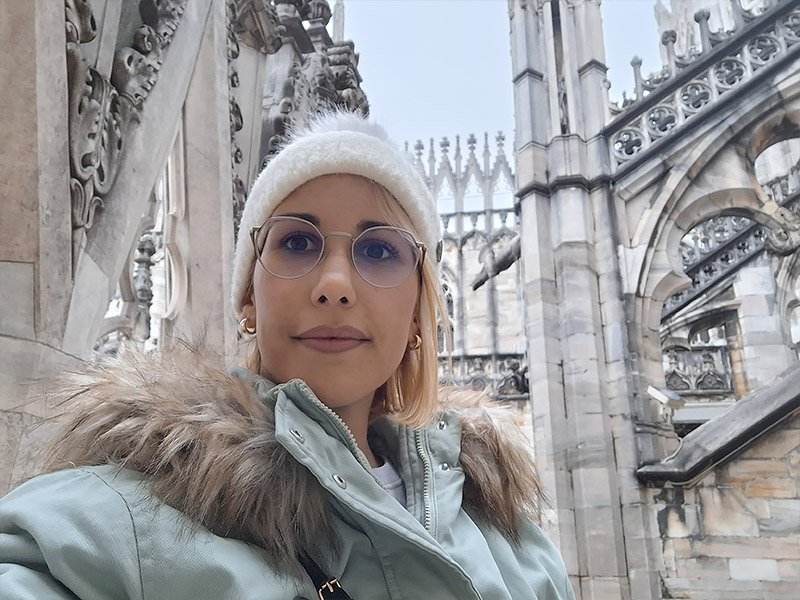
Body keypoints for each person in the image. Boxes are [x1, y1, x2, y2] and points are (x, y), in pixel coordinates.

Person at [0, 111, 575, 600]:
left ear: (419, 309)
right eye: (297, 241)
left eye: (379, 250)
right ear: (249, 298)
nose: (335, 285)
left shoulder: (516, 547)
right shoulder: (120, 519)